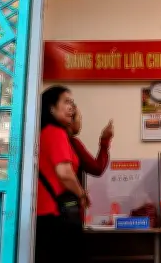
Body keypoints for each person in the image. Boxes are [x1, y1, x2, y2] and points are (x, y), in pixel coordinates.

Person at [35, 86, 89, 263]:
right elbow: (64, 173)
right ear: (51, 108)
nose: (72, 107)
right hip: (56, 215)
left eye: (72, 103)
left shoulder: (44, 133)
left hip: (45, 214)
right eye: (66, 102)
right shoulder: (55, 132)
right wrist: (82, 194)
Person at [69, 107, 113, 178]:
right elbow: (97, 169)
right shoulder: (73, 143)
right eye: (79, 118)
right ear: (69, 120)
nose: (80, 122)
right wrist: (105, 139)